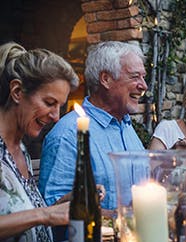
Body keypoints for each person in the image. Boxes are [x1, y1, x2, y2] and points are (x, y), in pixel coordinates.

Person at [39, 41, 147, 210]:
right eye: (135, 77)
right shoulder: (67, 133)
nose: (144, 86)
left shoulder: (126, 127)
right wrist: (117, 219)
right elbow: (52, 208)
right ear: (106, 79)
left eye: (143, 77)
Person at [0, 42, 79, 242]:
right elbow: (38, 216)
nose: (56, 116)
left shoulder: (20, 149)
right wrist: (46, 215)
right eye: (49, 102)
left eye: (60, 106)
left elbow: (22, 211)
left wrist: (70, 201)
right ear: (17, 91)